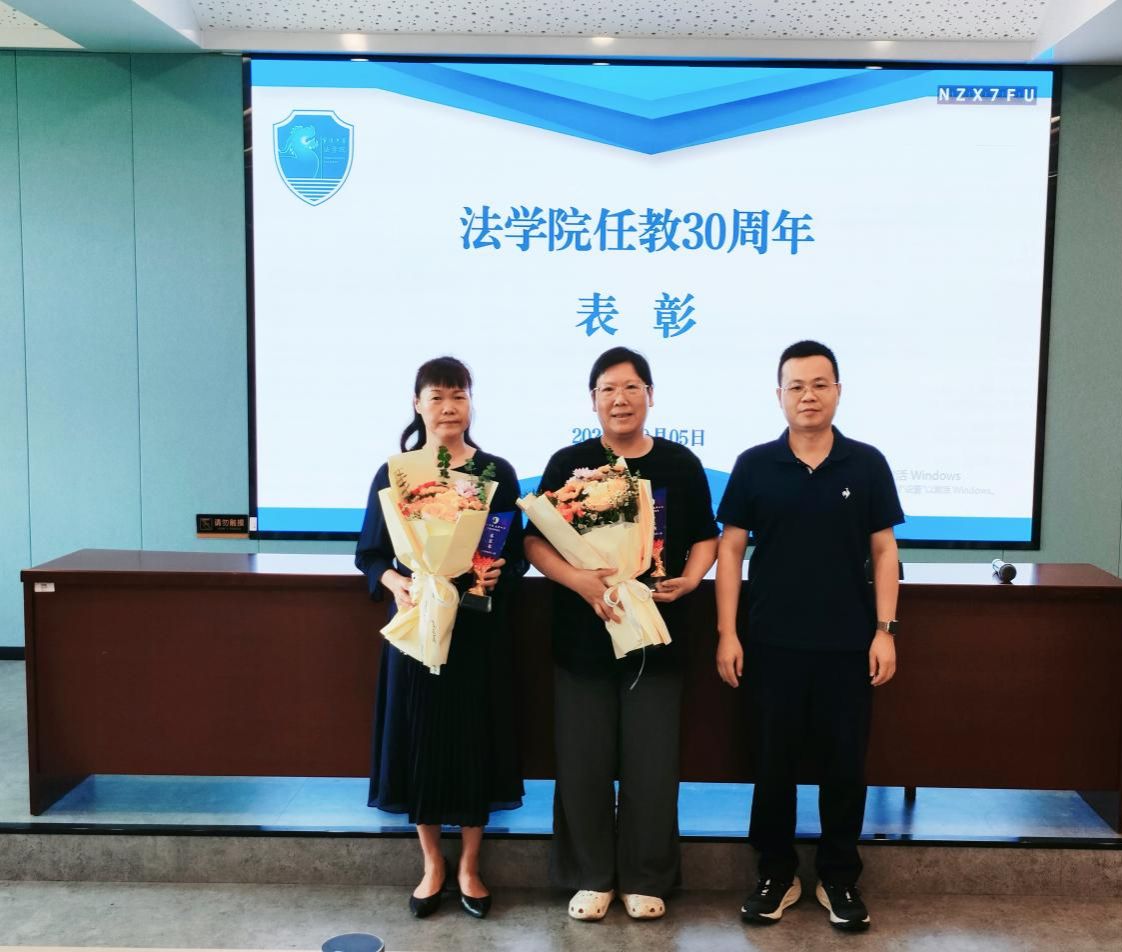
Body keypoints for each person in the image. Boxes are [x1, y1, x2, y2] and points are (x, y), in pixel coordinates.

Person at [524, 346, 719, 922]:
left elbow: (706, 536)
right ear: (593, 401)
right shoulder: (570, 463)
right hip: (583, 637)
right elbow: (534, 541)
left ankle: (645, 876)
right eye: (608, 389)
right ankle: (590, 876)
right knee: (582, 762)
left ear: (650, 396)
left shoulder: (680, 464)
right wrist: (580, 582)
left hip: (656, 633)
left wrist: (692, 578)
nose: (620, 399)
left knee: (651, 765)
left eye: (632, 387)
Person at [714, 339, 903, 933]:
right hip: (771, 645)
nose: (808, 396)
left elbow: (884, 550)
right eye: (795, 386)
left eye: (820, 384)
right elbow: (730, 550)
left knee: (844, 767)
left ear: (838, 391)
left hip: (848, 646)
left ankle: (839, 877)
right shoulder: (754, 465)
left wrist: (885, 630)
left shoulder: (866, 464)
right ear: (779, 396)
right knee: (773, 766)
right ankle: (776, 873)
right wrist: (727, 632)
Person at [355, 356, 525, 920]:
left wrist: (500, 572)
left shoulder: (496, 472)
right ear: (417, 403)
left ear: (470, 402)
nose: (449, 407)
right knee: (419, 737)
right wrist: (395, 581)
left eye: (459, 396)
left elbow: (515, 553)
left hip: (476, 627)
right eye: (437, 396)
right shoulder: (396, 473)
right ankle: (432, 863)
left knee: (476, 736)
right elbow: (370, 554)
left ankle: (471, 865)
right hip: (417, 626)